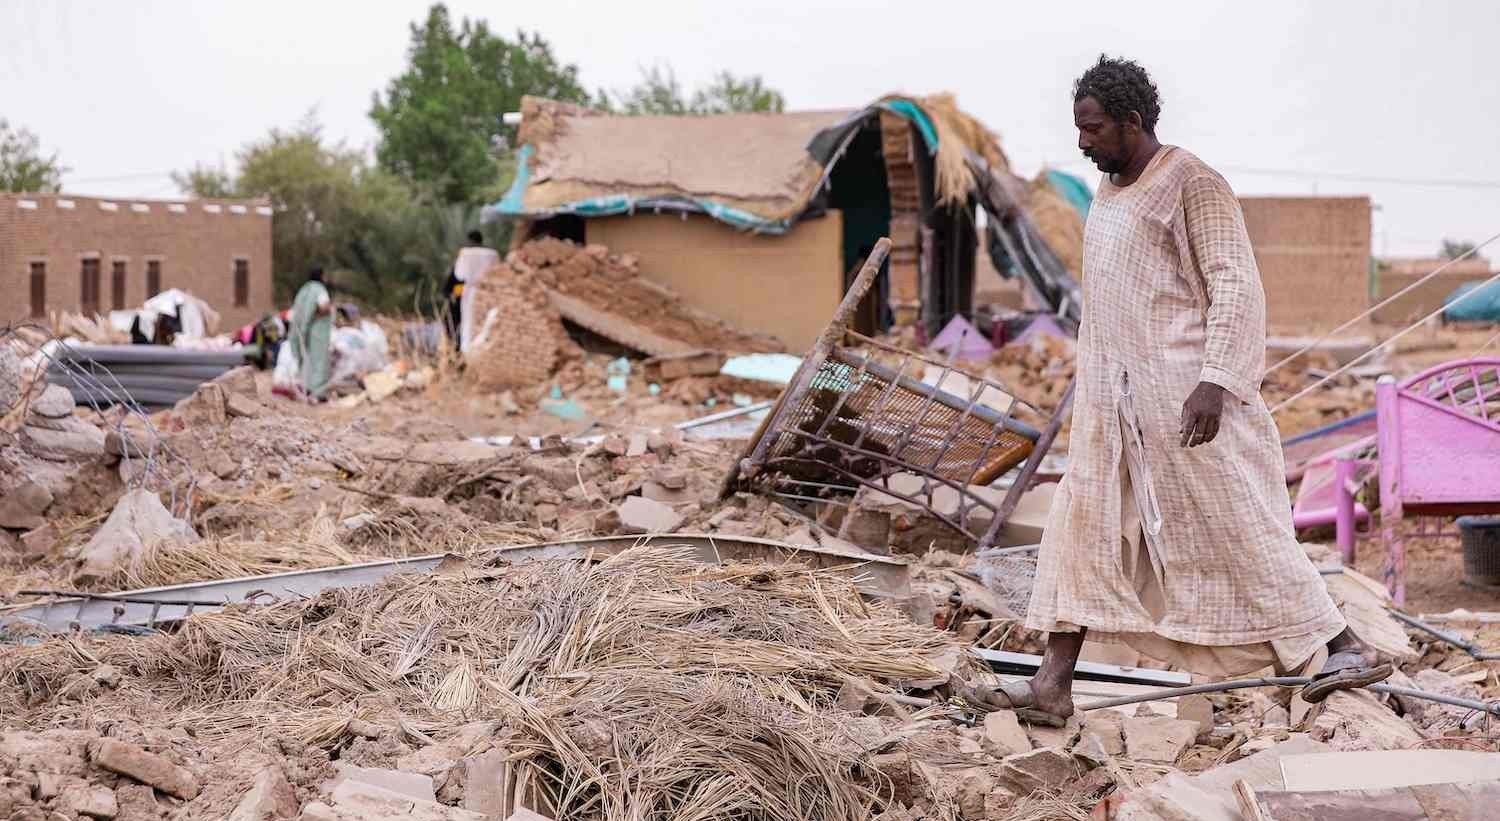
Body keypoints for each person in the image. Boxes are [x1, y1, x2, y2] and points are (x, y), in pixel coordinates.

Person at [981, 56, 1390, 726]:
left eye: (1093, 129)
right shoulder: (1111, 193)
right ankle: (1052, 683)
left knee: (1239, 526)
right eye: (1078, 128)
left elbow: (1236, 284)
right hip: (1113, 407)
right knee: (1081, 530)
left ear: (1132, 122)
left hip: (1187, 403)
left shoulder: (1191, 183)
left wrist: (1217, 381)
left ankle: (1347, 644)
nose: (1082, 142)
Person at [288, 267, 333, 401]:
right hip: (318, 331)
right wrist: (321, 314)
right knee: (319, 361)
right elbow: (324, 306)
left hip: (305, 331)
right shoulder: (319, 289)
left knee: (307, 360)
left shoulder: (304, 290)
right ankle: (318, 392)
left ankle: (306, 388)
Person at [451, 230, 500, 352]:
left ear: (469, 240)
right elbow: (498, 271)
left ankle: (468, 351)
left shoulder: (465, 253)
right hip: (489, 291)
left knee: (468, 321)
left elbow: (459, 275)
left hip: (470, 291)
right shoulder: (493, 254)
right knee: (487, 321)